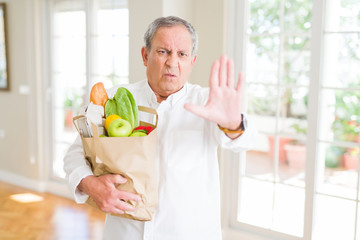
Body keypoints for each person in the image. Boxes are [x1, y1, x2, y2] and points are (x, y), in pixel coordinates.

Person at [64, 16, 256, 240]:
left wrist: (234, 124)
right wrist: (90, 185)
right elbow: (75, 154)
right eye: (163, 51)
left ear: (192, 62)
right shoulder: (114, 99)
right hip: (125, 233)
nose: (173, 62)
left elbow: (247, 139)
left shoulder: (208, 102)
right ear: (145, 56)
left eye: (182, 54)